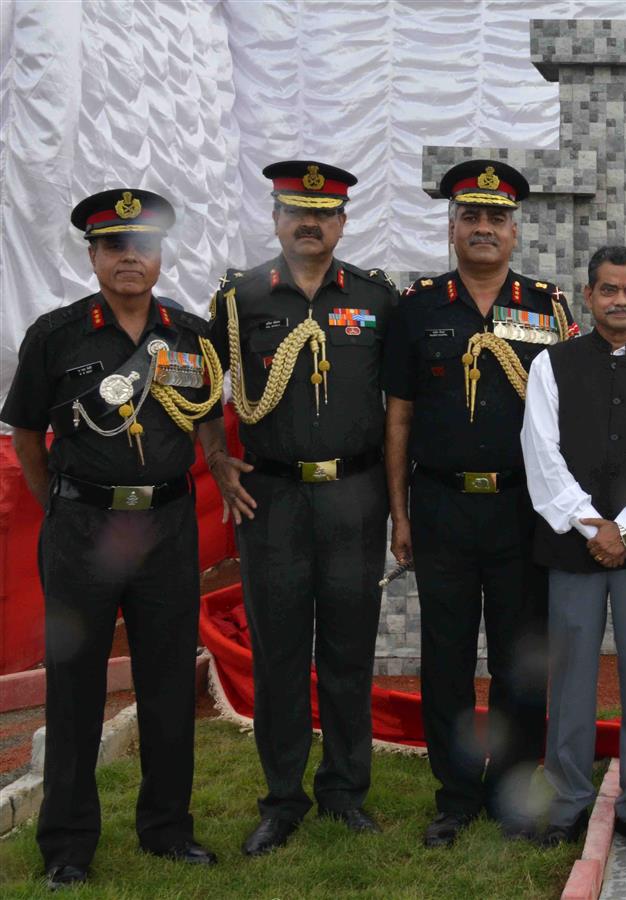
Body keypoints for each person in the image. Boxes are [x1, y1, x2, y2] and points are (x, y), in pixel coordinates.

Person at [2, 189, 222, 887]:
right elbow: (27, 436)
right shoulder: (56, 335)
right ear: (94, 255)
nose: (131, 258)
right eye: (115, 247)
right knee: (74, 688)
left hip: (166, 528)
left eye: (144, 246)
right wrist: (66, 507)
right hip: (85, 528)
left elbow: (209, 419)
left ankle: (167, 830)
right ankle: (67, 846)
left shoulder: (191, 337)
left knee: (164, 684)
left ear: (160, 255)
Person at [200, 161, 397, 854]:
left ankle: (344, 791)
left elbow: (400, 404)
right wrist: (218, 460)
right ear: (276, 217)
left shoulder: (377, 297)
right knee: (280, 651)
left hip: (354, 495)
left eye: (324, 212)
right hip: (272, 499)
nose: (309, 223)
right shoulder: (239, 298)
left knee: (347, 649)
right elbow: (201, 384)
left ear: (343, 222)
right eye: (295, 210)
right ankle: (282, 800)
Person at [383, 159, 577, 847]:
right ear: (452, 226)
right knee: (447, 657)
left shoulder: (549, 308)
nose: (484, 228)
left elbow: (568, 419)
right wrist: (400, 514)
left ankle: (515, 790)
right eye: (472, 216)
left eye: (497, 218)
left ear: (515, 230)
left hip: (523, 511)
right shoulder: (417, 307)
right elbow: (399, 417)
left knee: (523, 659)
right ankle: (456, 794)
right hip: (440, 509)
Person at [521, 245, 626, 853]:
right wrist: (592, 524)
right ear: (588, 296)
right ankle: (568, 798)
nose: (621, 300)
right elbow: (541, 454)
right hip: (574, 547)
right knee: (571, 677)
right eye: (609, 290)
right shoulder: (551, 364)